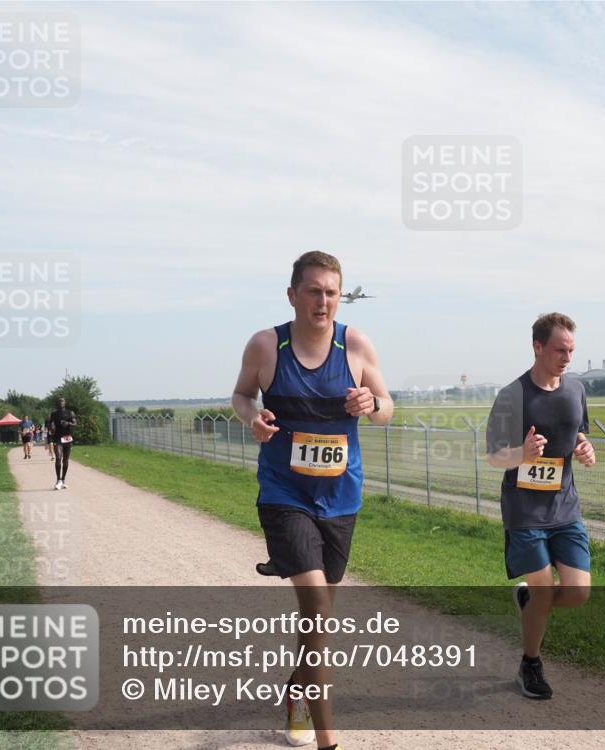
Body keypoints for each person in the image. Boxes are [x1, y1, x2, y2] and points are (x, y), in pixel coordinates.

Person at [232, 251, 392, 750]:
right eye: (313, 290)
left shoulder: (356, 344)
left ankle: (296, 695)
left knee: (315, 622)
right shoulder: (266, 345)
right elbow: (240, 396)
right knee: (319, 607)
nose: (323, 301)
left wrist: (372, 404)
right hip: (284, 494)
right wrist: (252, 419)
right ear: (292, 294)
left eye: (331, 292)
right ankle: (329, 740)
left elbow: (387, 407)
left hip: (341, 498)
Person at [485, 312, 596, 700]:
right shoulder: (512, 396)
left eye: (571, 351)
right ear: (537, 347)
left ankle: (528, 600)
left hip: (565, 508)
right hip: (524, 510)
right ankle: (530, 663)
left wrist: (585, 447)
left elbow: (579, 432)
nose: (567, 358)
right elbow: (494, 457)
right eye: (559, 350)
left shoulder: (576, 390)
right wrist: (523, 453)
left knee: (579, 593)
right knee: (546, 592)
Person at [47, 397, 77, 490]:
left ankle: (63, 480)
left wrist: (68, 423)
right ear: (57, 403)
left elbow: (75, 424)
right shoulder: (54, 414)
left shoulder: (70, 413)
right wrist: (51, 427)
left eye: (62, 401)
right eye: (59, 401)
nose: (61, 402)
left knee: (66, 460)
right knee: (58, 458)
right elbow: (49, 424)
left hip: (67, 438)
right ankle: (58, 480)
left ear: (65, 402)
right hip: (58, 438)